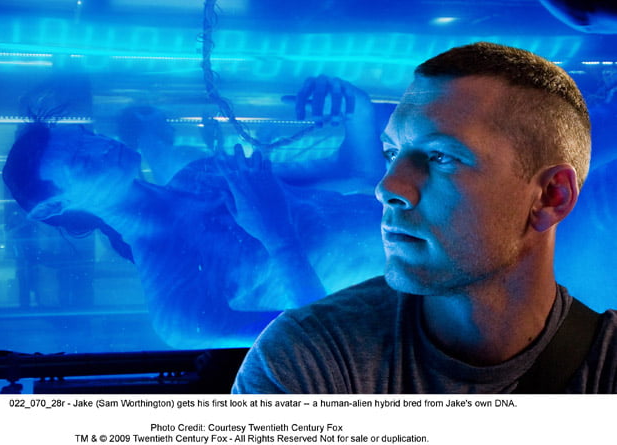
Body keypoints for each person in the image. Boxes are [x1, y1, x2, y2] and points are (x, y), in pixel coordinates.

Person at [232, 41, 617, 394]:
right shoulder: (305, 359)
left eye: (441, 156)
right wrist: (279, 238)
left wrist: (281, 238)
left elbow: (356, 178)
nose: (386, 187)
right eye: (391, 152)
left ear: (553, 196)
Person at [2, 117, 384, 349]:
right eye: (82, 159)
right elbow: (326, 349)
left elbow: (355, 172)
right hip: (413, 296)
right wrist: (278, 237)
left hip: (415, 214)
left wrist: (358, 109)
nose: (104, 146)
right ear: (56, 206)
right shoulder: (177, 309)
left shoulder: (203, 172)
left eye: (88, 134)